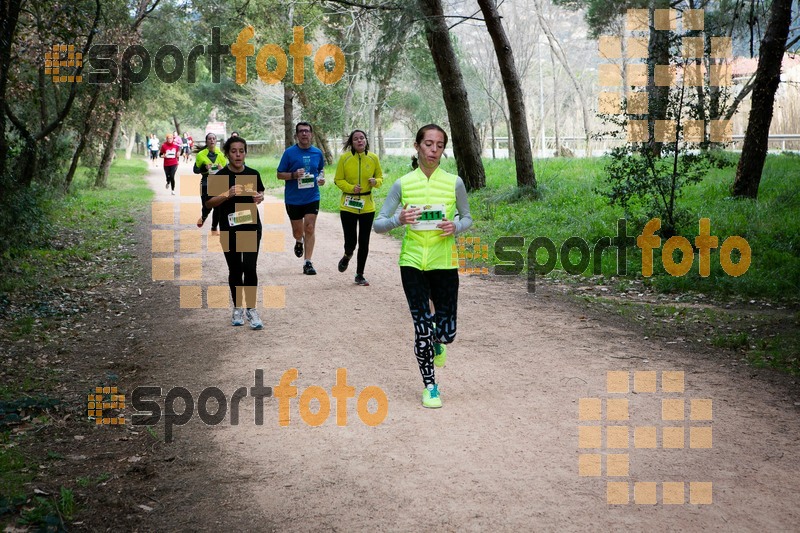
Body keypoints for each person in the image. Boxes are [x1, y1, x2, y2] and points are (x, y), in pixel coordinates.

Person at [374, 124, 472, 409]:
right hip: (413, 263)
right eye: (428, 144)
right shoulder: (402, 184)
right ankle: (430, 386)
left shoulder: (454, 182)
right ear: (417, 147)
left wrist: (455, 226)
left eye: (439, 145)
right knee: (422, 328)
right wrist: (399, 220)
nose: (433, 150)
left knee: (446, 333)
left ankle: (439, 341)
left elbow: (468, 218)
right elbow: (379, 223)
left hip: (444, 263)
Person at [202, 135, 265, 330]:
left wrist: (259, 197)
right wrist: (226, 194)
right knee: (235, 269)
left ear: (245, 153)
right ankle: (237, 307)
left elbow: (260, 193)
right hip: (229, 228)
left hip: (251, 226)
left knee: (250, 267)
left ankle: (252, 309)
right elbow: (209, 203)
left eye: (241, 151)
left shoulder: (253, 173)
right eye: (234, 151)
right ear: (228, 154)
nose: (238, 155)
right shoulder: (219, 177)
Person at [334, 129, 383, 286]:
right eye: (356, 139)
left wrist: (376, 182)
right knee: (351, 241)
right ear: (351, 142)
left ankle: (359, 274)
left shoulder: (373, 158)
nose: (360, 141)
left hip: (367, 205)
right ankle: (347, 255)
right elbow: (338, 180)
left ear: (366, 140)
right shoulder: (345, 158)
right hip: (348, 205)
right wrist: (350, 188)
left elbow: (380, 177)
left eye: (362, 138)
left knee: (364, 241)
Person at [276, 122, 326, 275]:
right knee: (298, 231)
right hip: (293, 199)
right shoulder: (289, 153)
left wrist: (321, 178)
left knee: (310, 227)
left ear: (311, 134)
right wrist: (293, 175)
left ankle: (308, 262)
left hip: (312, 196)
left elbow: (320, 170)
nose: (304, 134)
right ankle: (299, 241)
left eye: (307, 131)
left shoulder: (317, 153)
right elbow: (279, 174)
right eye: (301, 131)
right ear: (297, 135)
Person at [194, 132, 228, 233]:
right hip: (206, 183)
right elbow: (195, 170)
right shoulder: (201, 155)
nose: (212, 140)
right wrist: (204, 168)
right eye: (210, 138)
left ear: (216, 141)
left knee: (217, 206)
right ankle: (204, 216)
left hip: (218, 182)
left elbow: (227, 170)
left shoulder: (221, 155)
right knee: (207, 205)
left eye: (214, 138)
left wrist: (222, 169)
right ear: (206, 141)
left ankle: (214, 227)